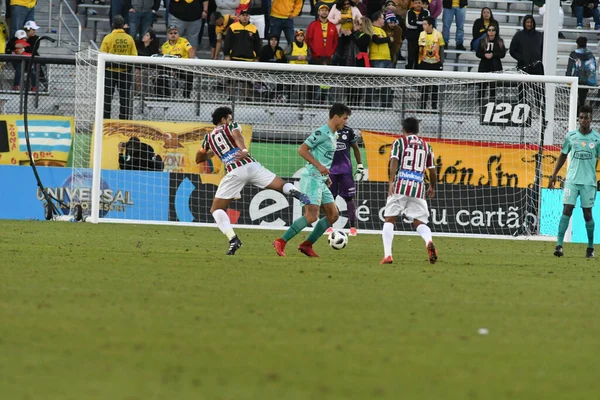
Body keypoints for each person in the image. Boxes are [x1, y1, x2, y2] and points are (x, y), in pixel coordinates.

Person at [196, 106, 310, 255]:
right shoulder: (231, 126)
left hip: (235, 171)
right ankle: (295, 191)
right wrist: (243, 150)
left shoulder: (208, 138)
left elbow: (199, 158)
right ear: (223, 119)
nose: (231, 119)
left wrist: (215, 152)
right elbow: (237, 137)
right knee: (281, 185)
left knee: (216, 209)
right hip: (251, 165)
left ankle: (233, 240)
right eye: (229, 117)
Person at [273, 103, 352, 258]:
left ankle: (306, 245)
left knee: (333, 215)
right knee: (311, 216)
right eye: (344, 118)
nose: (346, 122)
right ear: (336, 117)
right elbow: (302, 149)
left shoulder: (333, 135)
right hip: (311, 177)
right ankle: (281, 241)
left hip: (321, 179)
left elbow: (322, 157)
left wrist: (325, 174)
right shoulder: (321, 132)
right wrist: (319, 166)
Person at [381, 117, 438, 265]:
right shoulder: (427, 146)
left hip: (400, 185)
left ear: (403, 130)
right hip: (418, 187)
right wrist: (432, 186)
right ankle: (428, 241)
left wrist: (391, 182)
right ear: (418, 130)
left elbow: (394, 161)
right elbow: (432, 170)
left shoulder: (399, 142)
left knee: (390, 219)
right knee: (419, 222)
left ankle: (388, 255)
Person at [549, 105, 600, 258]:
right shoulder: (571, 136)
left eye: (586, 117)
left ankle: (590, 248)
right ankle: (559, 246)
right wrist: (553, 174)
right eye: (581, 117)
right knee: (566, 210)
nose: (583, 120)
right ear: (579, 119)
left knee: (587, 214)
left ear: (591, 119)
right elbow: (563, 155)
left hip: (589, 182)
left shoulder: (597, 139)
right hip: (572, 180)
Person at [323, 124, 363, 236]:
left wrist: (359, 164)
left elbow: (355, 147)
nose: (344, 119)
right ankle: (329, 226)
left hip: (346, 171)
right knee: (330, 198)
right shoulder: (326, 131)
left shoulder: (348, 131)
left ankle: (353, 227)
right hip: (331, 171)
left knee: (349, 198)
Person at [100, 15, 138, 120]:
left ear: (113, 25)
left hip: (109, 71)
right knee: (124, 99)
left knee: (107, 98)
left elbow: (102, 55)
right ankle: (123, 122)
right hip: (125, 72)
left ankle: (105, 121)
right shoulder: (129, 39)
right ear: (123, 25)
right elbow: (134, 56)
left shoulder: (108, 38)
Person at [160, 24, 195, 98]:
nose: (173, 35)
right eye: (171, 33)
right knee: (160, 74)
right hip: (170, 68)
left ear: (178, 34)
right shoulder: (164, 46)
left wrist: (190, 63)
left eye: (175, 33)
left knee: (189, 74)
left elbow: (191, 51)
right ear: (168, 35)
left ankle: (186, 95)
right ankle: (165, 95)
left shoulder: (184, 41)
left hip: (183, 68)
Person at [475, 23, 505, 104]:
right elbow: (478, 53)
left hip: (495, 67)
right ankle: (480, 105)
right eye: (489, 30)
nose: (491, 32)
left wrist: (493, 55)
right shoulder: (482, 41)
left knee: (493, 88)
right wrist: (484, 55)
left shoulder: (500, 41)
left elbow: (502, 54)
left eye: (493, 30)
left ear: (496, 31)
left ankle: (492, 106)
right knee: (482, 88)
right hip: (484, 67)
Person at [417, 17, 444, 109]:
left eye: (425, 24)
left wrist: (441, 62)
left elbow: (442, 49)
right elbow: (420, 49)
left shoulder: (438, 34)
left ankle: (434, 107)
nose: (423, 26)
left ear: (430, 25)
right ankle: (422, 107)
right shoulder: (421, 34)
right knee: (424, 87)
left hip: (436, 63)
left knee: (435, 87)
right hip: (425, 62)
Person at [566, 36, 597, 113]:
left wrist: (567, 79)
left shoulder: (573, 54)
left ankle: (574, 114)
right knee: (582, 99)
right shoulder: (591, 55)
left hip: (575, 80)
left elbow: (569, 68)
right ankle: (580, 113)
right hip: (586, 80)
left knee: (574, 98)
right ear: (586, 44)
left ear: (577, 44)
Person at [328, 0, 362, 66]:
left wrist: (356, 21)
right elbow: (329, 19)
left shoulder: (354, 8)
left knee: (347, 55)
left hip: (350, 34)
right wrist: (338, 21)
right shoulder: (335, 7)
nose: (346, 6)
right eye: (344, 4)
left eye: (348, 4)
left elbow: (361, 18)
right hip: (339, 34)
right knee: (338, 54)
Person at [404, 0, 429, 70]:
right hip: (411, 37)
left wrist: (415, 22)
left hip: (422, 37)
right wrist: (420, 25)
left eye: (419, 3)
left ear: (422, 4)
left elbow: (427, 24)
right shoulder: (409, 12)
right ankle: (409, 70)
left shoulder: (426, 12)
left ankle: (417, 70)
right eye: (416, 3)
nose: (418, 5)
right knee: (411, 55)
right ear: (413, 4)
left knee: (419, 55)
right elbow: (408, 25)